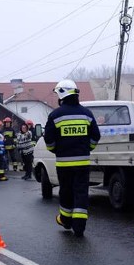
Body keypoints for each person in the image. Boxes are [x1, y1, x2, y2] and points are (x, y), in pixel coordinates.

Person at [44, 79, 100, 237]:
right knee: (81, 192)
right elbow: (96, 136)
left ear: (62, 93)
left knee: (66, 191)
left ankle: (66, 220)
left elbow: (49, 140)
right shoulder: (87, 114)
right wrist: (87, 148)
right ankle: (79, 226)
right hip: (83, 163)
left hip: (64, 163)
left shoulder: (55, 115)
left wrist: (56, 150)